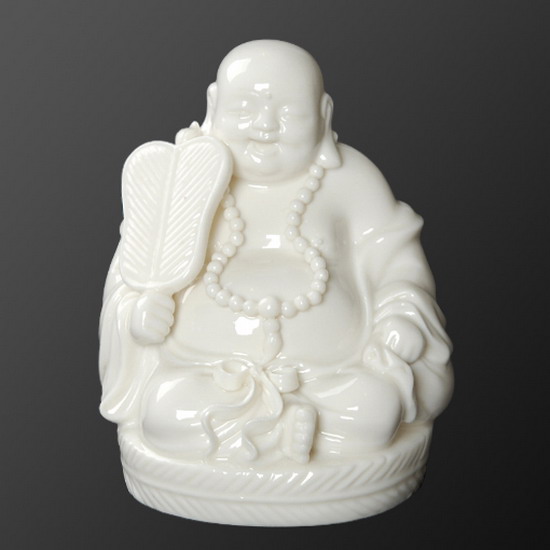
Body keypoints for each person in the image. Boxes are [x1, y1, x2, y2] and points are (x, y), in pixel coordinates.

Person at [99, 40, 453, 464]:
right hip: (203, 373)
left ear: (324, 114)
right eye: (244, 108)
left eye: (289, 112)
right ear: (213, 106)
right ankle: (284, 430)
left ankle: (272, 430)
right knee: (165, 411)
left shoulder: (351, 179)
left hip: (332, 374)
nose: (265, 126)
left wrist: (401, 315)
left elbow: (395, 260)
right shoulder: (182, 179)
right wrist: (138, 317)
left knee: (374, 409)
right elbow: (136, 266)